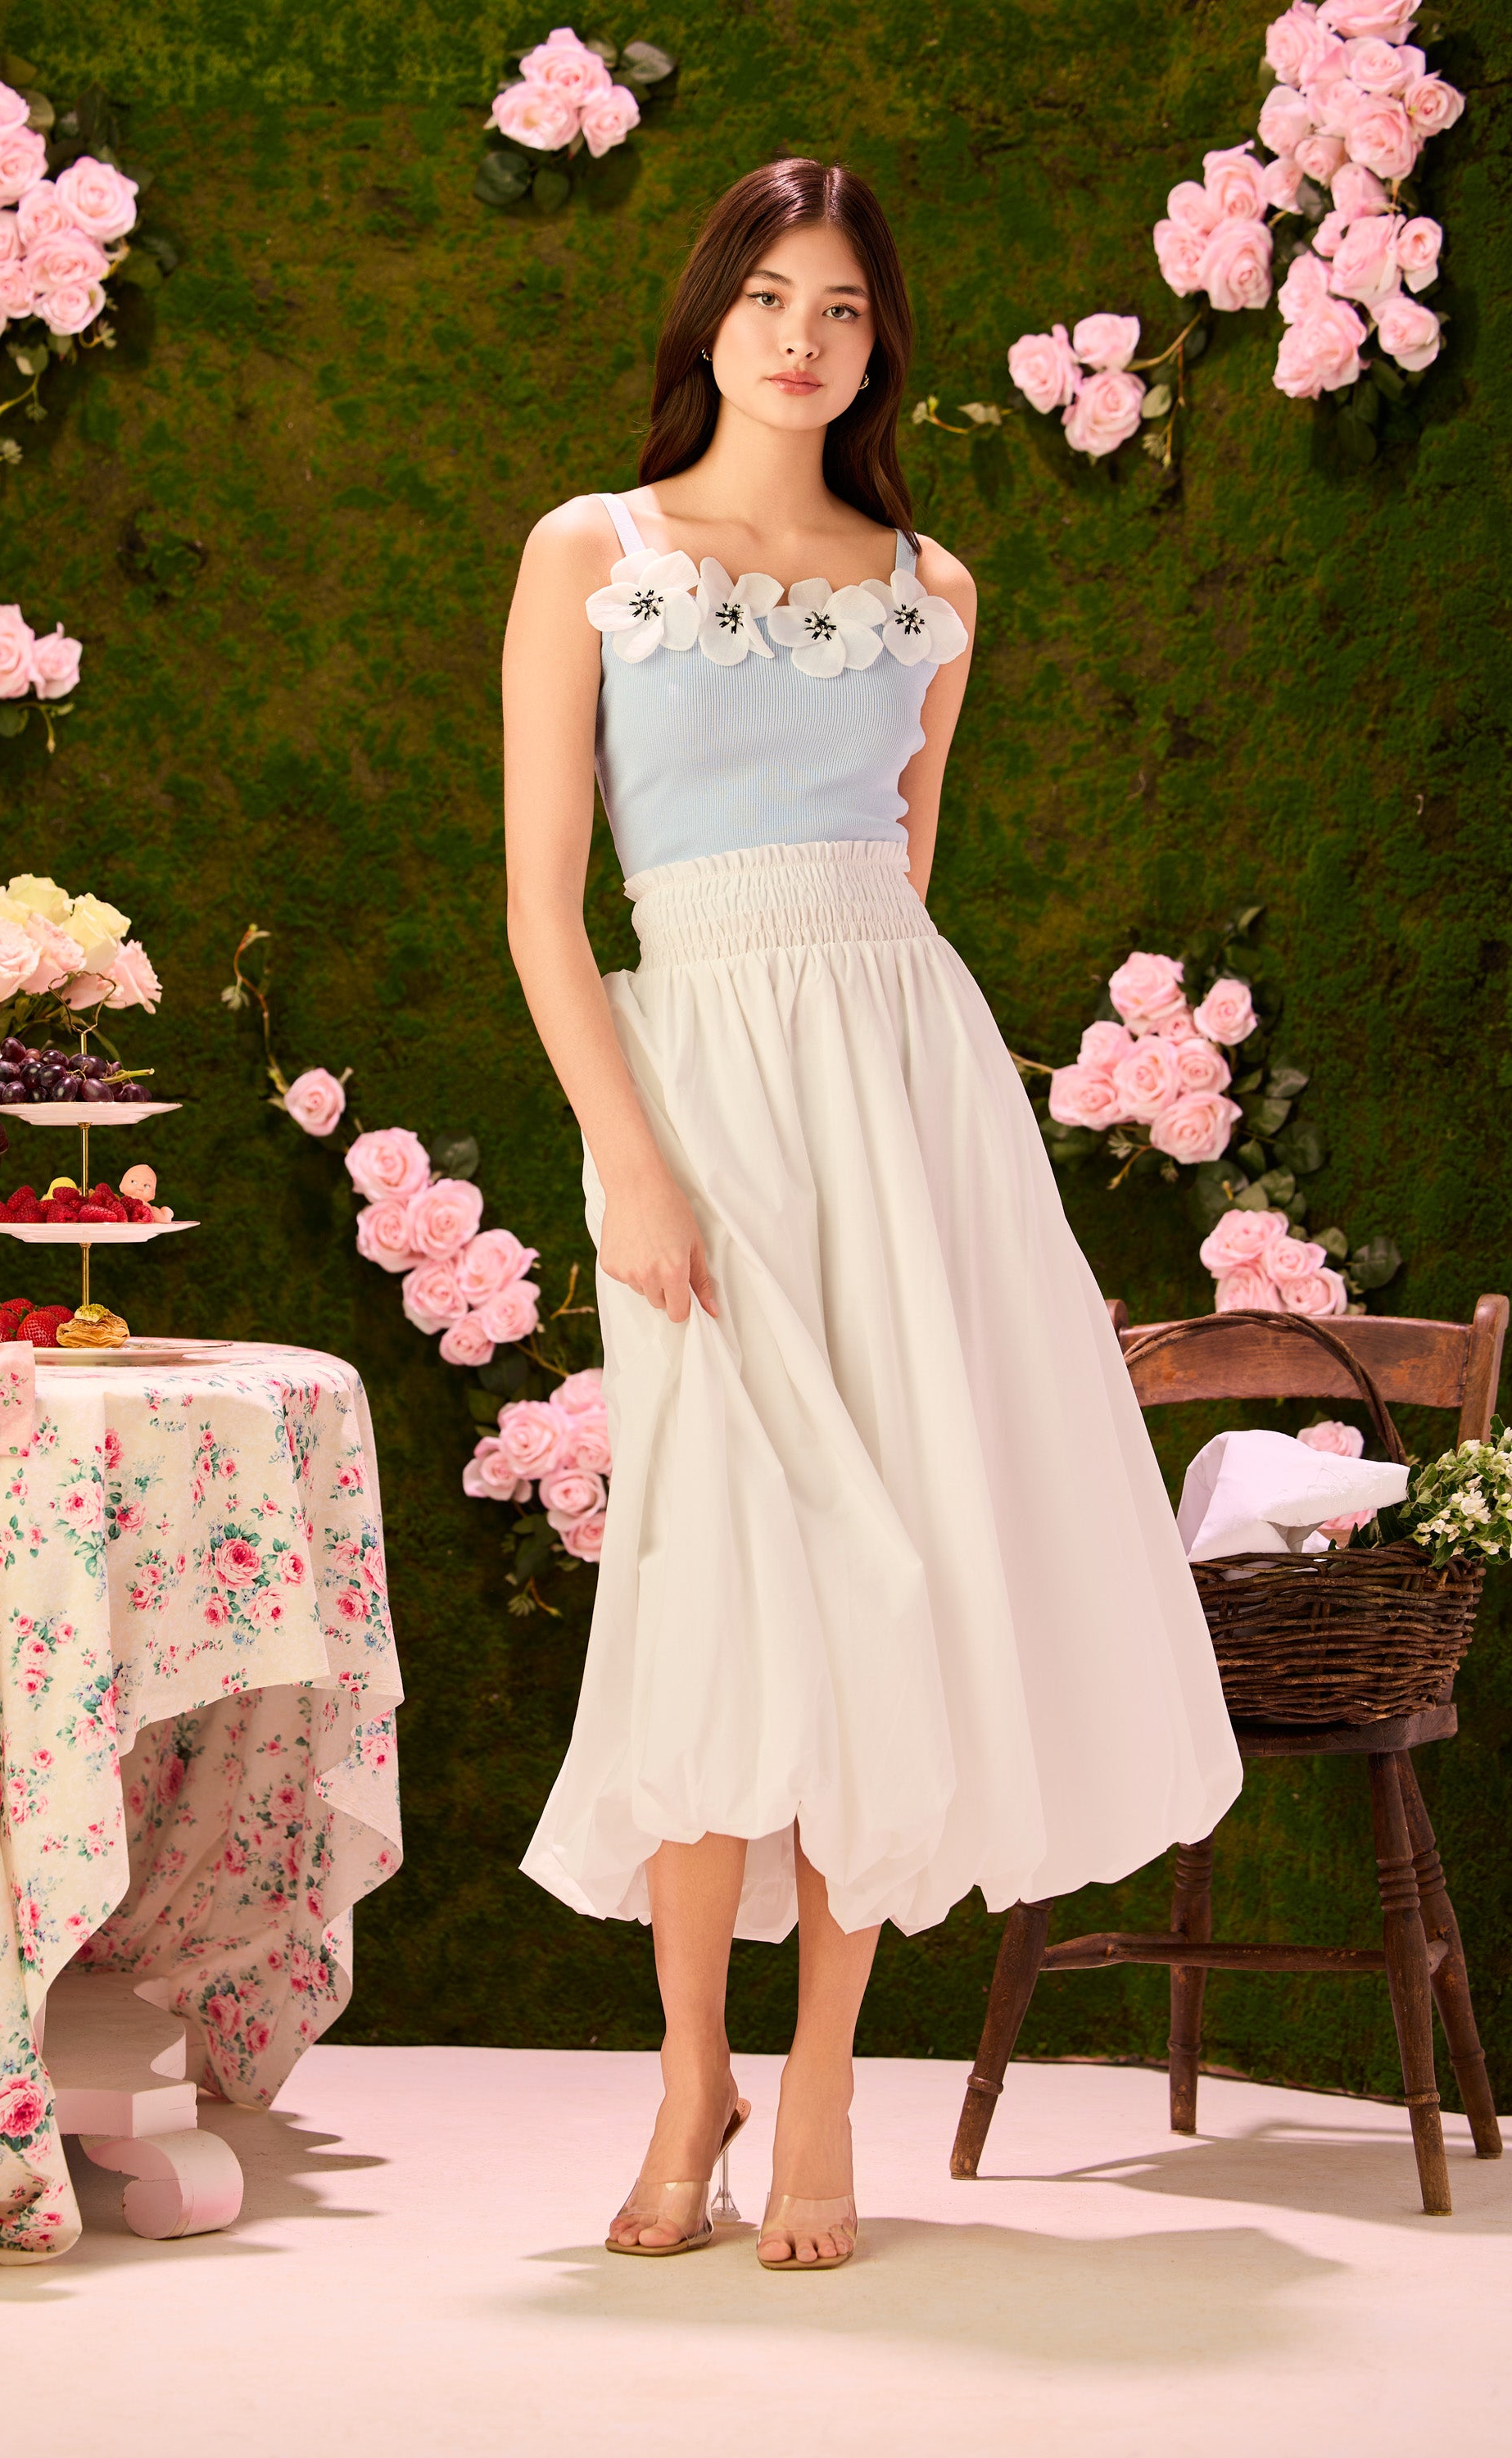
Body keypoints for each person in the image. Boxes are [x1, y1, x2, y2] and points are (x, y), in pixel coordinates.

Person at [501, 157, 1241, 2273]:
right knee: (715, 1579)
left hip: (906, 1106)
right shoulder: (592, 553)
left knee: (888, 1580)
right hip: (691, 1099)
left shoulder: (936, 589)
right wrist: (634, 1162)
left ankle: (821, 2071)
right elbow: (545, 910)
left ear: (879, 342)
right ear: (710, 315)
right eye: (768, 296)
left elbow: (899, 887)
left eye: (841, 307)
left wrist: (900, 1133)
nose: (802, 339)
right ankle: (691, 2074)